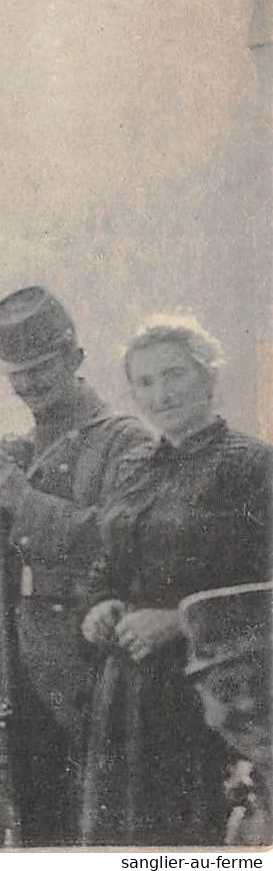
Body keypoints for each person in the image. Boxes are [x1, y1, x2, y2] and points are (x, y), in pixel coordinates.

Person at [0, 286, 153, 846]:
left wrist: (25, 502)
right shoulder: (21, 448)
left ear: (75, 359)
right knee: (33, 822)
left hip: (88, 665)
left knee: (94, 824)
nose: (30, 384)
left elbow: (121, 545)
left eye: (42, 368)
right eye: (18, 373)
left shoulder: (123, 441)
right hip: (17, 663)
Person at [79, 315, 272, 845]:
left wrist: (179, 621)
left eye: (174, 376)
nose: (160, 394)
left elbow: (265, 591)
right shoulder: (132, 466)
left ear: (207, 378)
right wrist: (102, 604)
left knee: (196, 830)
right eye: (144, 382)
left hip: (215, 694)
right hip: (128, 689)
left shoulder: (253, 466)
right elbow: (107, 561)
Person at [180, 581, 272, 845]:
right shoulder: (242, 802)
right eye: (225, 689)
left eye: (265, 683)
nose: (248, 704)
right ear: (203, 700)